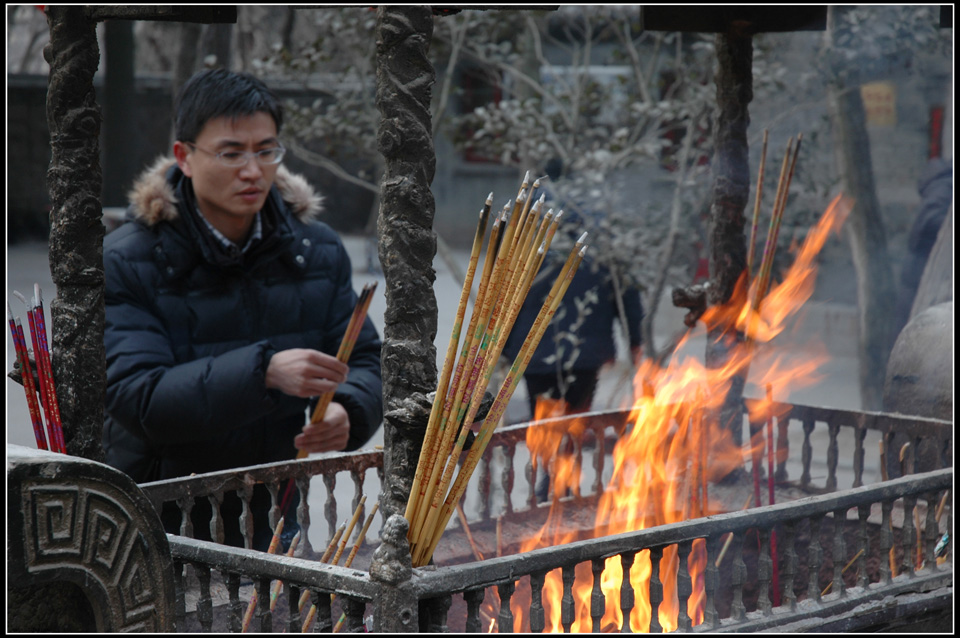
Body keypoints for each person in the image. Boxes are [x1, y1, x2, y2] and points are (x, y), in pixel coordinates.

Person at [102, 69, 382, 550]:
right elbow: (139, 397)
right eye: (231, 153)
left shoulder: (314, 250)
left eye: (266, 150)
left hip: (274, 510)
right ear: (184, 157)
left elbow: (367, 359)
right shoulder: (131, 258)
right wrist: (264, 371)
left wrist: (349, 409)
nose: (253, 170)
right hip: (159, 515)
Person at [502, 160, 644, 501]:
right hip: (587, 346)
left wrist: (504, 348)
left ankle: (551, 477)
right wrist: (635, 339)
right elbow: (625, 288)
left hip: (533, 348)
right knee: (576, 414)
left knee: (545, 417)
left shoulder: (527, 224)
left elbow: (506, 288)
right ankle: (568, 477)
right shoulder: (598, 224)